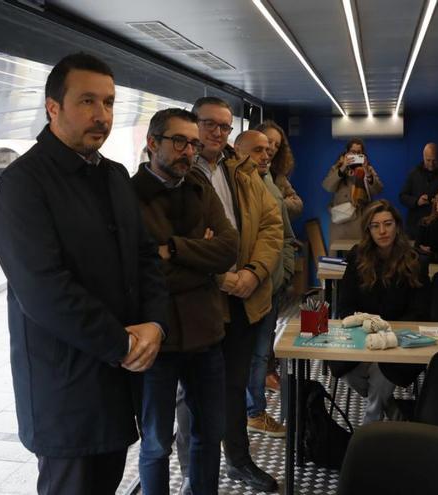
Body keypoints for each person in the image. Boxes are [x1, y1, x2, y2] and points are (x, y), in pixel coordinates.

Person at [0, 53, 169, 495]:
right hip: (64, 391)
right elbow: (44, 290)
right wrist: (122, 343)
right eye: (88, 101)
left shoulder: (113, 176)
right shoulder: (22, 185)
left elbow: (146, 257)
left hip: (115, 382)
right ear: (53, 108)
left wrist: (155, 323)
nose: (102, 115)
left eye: (108, 102)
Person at [175, 96, 283, 493]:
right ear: (193, 125)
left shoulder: (242, 169)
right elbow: (175, 243)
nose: (218, 133)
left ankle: (239, 461)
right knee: (191, 395)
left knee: (235, 388)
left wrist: (253, 273)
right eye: (210, 125)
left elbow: (272, 226)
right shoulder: (179, 171)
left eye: (224, 126)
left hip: (244, 298)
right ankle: (190, 473)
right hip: (201, 302)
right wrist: (223, 277)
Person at [132, 108, 238, 495]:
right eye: (179, 141)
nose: (188, 151)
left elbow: (228, 248)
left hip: (206, 334)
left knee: (210, 434)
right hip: (158, 340)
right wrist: (201, 259)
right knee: (157, 443)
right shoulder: (130, 196)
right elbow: (141, 274)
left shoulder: (198, 185)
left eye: (193, 143)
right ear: (152, 143)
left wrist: (173, 250)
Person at [336, 200, 430, 424]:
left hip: (401, 340)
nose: (382, 231)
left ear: (397, 226)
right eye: (375, 226)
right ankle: (390, 408)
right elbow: (344, 307)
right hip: (362, 335)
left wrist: (388, 334)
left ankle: (371, 423)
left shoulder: (416, 260)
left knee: (382, 367)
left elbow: (421, 311)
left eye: (387, 224)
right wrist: (367, 327)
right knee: (346, 368)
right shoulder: (356, 257)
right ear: (368, 230)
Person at [234, 130, 295, 439]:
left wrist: (283, 271)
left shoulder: (271, 182)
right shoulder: (234, 184)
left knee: (259, 353)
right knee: (247, 355)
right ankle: (251, 412)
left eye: (271, 148)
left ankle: (254, 412)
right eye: (259, 149)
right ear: (238, 150)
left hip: (268, 285)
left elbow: (282, 235)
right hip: (242, 287)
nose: (267, 154)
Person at [322, 138, 383, 243]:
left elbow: (378, 189)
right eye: (353, 152)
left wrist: (367, 173)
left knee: (361, 255)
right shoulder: (337, 168)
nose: (355, 155)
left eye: (359, 153)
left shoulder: (368, 169)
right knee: (339, 256)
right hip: (340, 223)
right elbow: (327, 186)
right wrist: (343, 168)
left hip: (360, 222)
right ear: (347, 152)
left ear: (363, 154)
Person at [399, 142, 438, 239]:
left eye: (434, 161)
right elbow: (402, 196)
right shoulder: (414, 174)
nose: (431, 164)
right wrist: (417, 201)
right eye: (428, 160)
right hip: (416, 227)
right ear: (423, 158)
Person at [256, 120, 303, 220]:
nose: (272, 148)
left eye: (277, 145)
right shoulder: (244, 172)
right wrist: (281, 202)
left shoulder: (277, 175)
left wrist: (279, 204)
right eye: (269, 141)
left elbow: (298, 205)